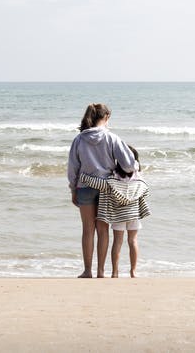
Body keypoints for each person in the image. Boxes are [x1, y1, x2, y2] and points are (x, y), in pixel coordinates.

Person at [67, 103, 135, 278]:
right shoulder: (112, 138)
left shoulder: (79, 139)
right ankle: (101, 271)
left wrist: (73, 189)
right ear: (106, 118)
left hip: (84, 187)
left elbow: (73, 168)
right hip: (106, 188)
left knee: (87, 230)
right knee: (103, 230)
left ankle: (87, 270)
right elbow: (128, 164)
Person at [80, 145, 149, 278]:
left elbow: (99, 184)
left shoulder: (112, 180)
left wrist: (83, 177)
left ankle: (114, 272)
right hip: (133, 215)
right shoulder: (139, 180)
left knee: (117, 242)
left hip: (119, 216)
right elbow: (145, 192)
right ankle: (133, 271)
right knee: (133, 241)